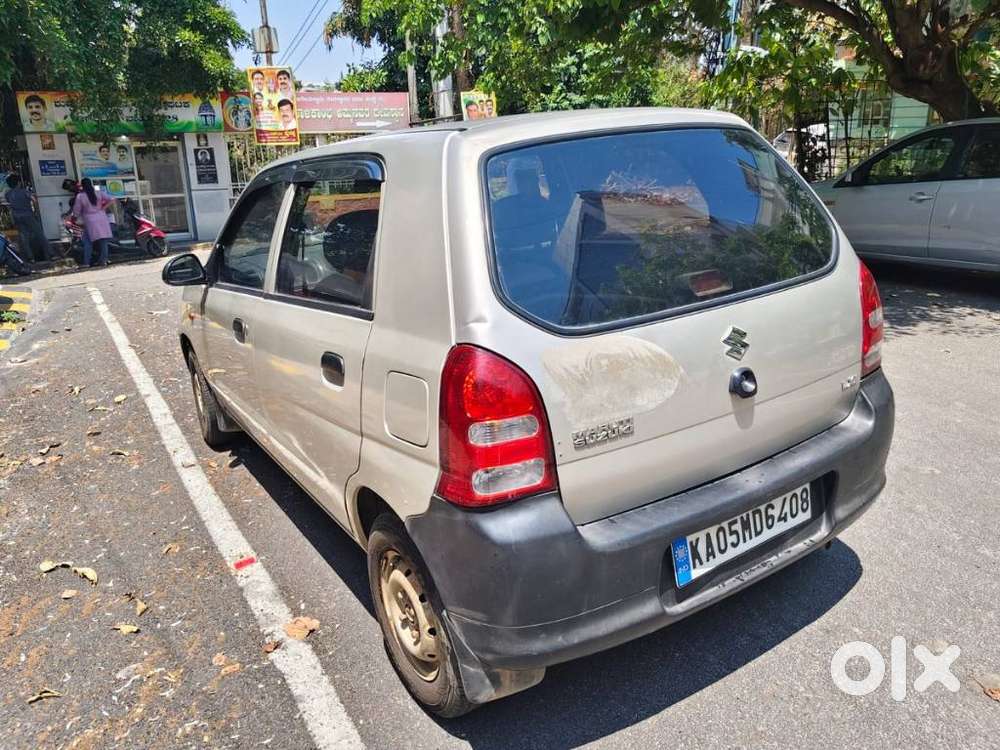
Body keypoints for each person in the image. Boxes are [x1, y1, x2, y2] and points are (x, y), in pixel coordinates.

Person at [4, 174, 53, 262]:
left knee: (24, 237)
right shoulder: (24, 191)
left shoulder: (8, 194)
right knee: (39, 234)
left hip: (17, 217)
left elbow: (9, 203)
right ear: (18, 182)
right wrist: (35, 210)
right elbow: (34, 199)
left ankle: (30, 258)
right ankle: (51, 254)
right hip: (28, 215)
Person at [72, 178, 115, 267]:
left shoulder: (80, 196)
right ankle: (103, 260)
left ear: (82, 186)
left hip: (89, 220)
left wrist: (74, 218)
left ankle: (86, 262)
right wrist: (103, 208)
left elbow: (76, 210)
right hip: (102, 218)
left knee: (87, 242)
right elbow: (112, 199)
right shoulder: (98, 193)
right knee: (103, 241)